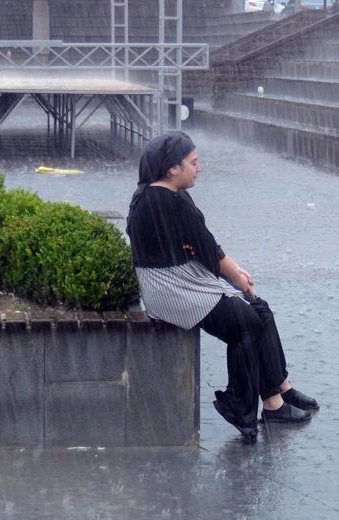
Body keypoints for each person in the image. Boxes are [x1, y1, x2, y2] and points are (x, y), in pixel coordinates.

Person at [126, 131, 318, 444]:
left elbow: (202, 244)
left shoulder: (162, 195)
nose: (199, 168)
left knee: (259, 309)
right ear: (172, 168)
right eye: (193, 162)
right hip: (170, 289)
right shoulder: (164, 200)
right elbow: (205, 247)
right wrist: (237, 277)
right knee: (244, 322)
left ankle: (278, 393)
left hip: (183, 278)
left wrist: (236, 273)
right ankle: (241, 406)